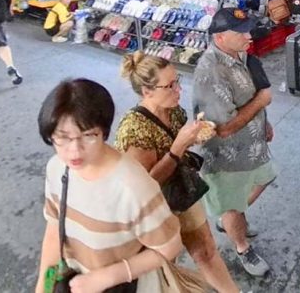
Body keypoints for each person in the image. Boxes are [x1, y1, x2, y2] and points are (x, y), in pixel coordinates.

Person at [34, 78, 203, 293]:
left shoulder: (133, 185)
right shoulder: (57, 169)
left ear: (104, 133)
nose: (74, 151)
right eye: (62, 138)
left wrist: (107, 277)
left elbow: (169, 247)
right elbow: (54, 228)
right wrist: (44, 286)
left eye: (88, 136)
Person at [114, 53, 239, 293]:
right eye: (170, 86)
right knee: (162, 265)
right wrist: (178, 147)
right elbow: (146, 184)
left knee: (205, 250)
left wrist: (197, 135)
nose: (178, 89)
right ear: (147, 91)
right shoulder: (135, 130)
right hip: (153, 208)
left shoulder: (173, 111)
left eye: (177, 81)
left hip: (181, 191)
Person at [190, 7, 275, 278]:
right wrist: (261, 102)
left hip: (250, 145)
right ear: (220, 38)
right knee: (231, 202)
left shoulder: (238, 52)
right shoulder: (210, 72)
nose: (249, 36)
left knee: (264, 178)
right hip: (225, 155)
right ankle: (241, 246)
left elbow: (249, 92)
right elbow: (223, 128)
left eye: (248, 29)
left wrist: (264, 120)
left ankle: (230, 216)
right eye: (241, 32)